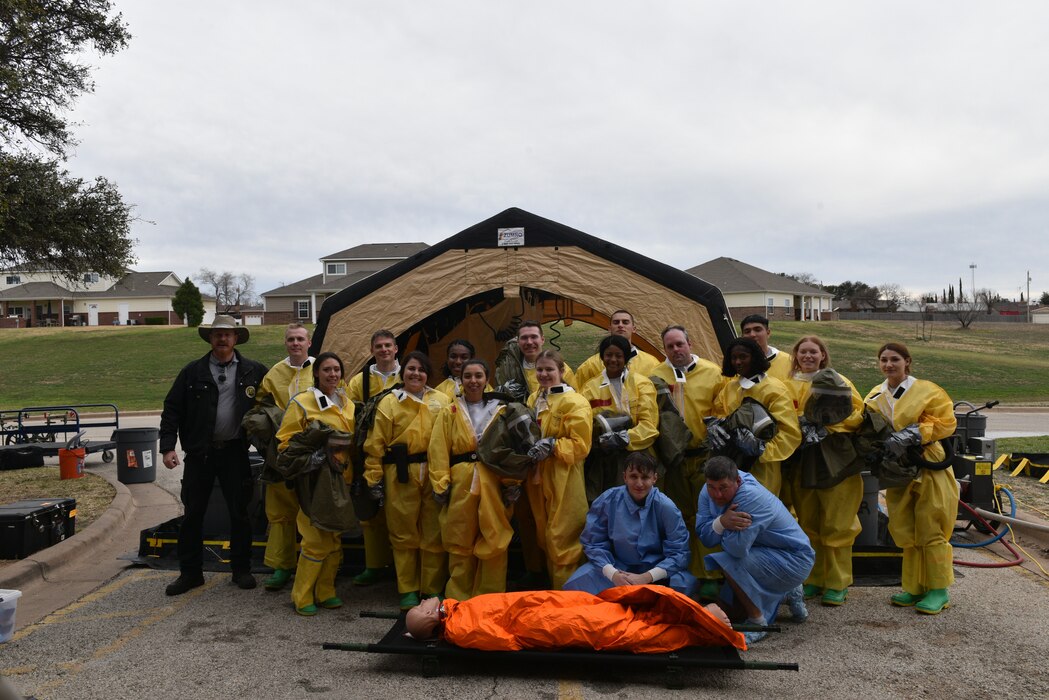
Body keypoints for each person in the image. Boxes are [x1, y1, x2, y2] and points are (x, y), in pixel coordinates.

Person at [159, 315, 267, 596]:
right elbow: (172, 409)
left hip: (235, 452)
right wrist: (168, 447)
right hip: (200, 454)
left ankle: (241, 570)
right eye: (217, 334)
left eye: (227, 334)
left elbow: (271, 406)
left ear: (235, 338)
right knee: (193, 514)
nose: (222, 338)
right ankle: (190, 573)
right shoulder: (192, 372)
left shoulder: (253, 371)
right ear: (210, 338)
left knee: (239, 514)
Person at [863, 342, 958, 615]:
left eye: (895, 359)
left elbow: (945, 421)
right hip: (897, 470)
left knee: (932, 524)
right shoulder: (874, 395)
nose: (889, 364)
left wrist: (911, 435)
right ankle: (914, 587)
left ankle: (938, 589)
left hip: (929, 463)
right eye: (884, 359)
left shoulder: (927, 391)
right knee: (905, 527)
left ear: (907, 362)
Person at [404, 585, 743, 653]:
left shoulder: (459, 611)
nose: (422, 600)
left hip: (543, 607)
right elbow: (506, 641)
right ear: (431, 619)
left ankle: (695, 616)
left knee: (614, 609)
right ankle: (701, 629)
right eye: (420, 608)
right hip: (541, 622)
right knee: (620, 630)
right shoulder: (460, 626)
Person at [363, 351, 452, 609]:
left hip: (433, 471)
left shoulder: (442, 400)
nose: (416, 374)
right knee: (403, 533)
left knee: (433, 532)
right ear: (403, 372)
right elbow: (375, 443)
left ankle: (431, 588)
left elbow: (449, 436)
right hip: (400, 474)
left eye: (421, 370)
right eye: (411, 369)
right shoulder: (389, 402)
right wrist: (373, 478)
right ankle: (408, 589)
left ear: (428, 374)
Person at [696, 456, 814, 644]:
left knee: (727, 561)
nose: (717, 495)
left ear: (738, 481)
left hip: (795, 559)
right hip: (761, 553)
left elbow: (736, 550)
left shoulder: (751, 496)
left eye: (723, 488)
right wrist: (722, 522)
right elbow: (704, 536)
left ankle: (758, 622)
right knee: (729, 611)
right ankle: (788, 593)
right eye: (712, 487)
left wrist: (717, 528)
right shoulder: (706, 490)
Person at [784, 336, 865, 607]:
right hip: (800, 460)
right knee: (808, 522)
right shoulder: (787, 384)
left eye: (813, 352)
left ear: (822, 355)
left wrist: (826, 424)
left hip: (833, 460)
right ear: (795, 356)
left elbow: (857, 414)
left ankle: (838, 583)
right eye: (802, 352)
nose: (807, 356)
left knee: (837, 523)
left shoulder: (838, 381)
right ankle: (814, 578)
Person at [274, 352, 354, 615]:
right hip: (314, 480)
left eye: (337, 370)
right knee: (314, 537)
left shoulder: (346, 403)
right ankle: (302, 595)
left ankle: (326, 591)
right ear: (316, 373)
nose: (332, 375)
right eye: (327, 370)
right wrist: (316, 457)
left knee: (333, 537)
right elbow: (285, 443)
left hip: (341, 480)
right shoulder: (303, 402)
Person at [649, 325, 725, 598]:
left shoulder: (712, 372)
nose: (676, 350)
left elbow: (722, 408)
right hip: (674, 459)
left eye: (680, 344)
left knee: (708, 515)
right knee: (679, 517)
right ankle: (683, 569)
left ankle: (710, 573)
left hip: (704, 455)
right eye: (670, 346)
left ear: (690, 343)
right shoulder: (656, 376)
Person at [429, 358, 515, 599]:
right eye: (468, 376)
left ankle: (490, 599)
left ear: (487, 379)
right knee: (459, 540)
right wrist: (440, 482)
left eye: (478, 376)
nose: (473, 381)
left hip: (493, 481)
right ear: (461, 380)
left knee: (495, 539)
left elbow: (511, 448)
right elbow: (438, 448)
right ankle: (458, 599)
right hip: (460, 482)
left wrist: (512, 484)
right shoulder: (450, 411)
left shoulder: (502, 409)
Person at [564, 452, 696, 596]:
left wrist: (646, 577)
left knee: (684, 585)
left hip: (656, 572)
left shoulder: (666, 507)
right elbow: (593, 542)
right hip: (618, 568)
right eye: (633, 476)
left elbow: (679, 553)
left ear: (654, 479)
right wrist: (613, 574)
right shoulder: (608, 500)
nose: (639, 483)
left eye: (645, 477)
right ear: (625, 477)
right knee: (577, 584)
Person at [524, 349, 592, 589]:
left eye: (549, 370)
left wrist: (553, 446)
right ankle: (554, 588)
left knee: (563, 535)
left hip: (564, 475)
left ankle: (569, 594)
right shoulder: (534, 399)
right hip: (537, 474)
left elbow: (581, 445)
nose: (543, 374)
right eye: (539, 369)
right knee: (544, 533)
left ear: (562, 372)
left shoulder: (574, 401)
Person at [254, 323, 315, 591]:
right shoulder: (274, 374)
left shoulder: (321, 367)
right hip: (280, 451)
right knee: (280, 512)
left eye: (300, 339)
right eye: (291, 339)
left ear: (309, 342)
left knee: (312, 510)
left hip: (312, 451)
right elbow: (260, 407)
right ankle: (282, 566)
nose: (295, 344)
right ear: (285, 343)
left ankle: (315, 565)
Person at [345, 329, 400, 587]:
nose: (384, 350)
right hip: (370, 452)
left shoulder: (409, 374)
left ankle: (403, 568)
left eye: (388, 345)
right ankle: (374, 565)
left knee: (401, 514)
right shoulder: (360, 381)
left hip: (402, 453)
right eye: (379, 346)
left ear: (396, 348)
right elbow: (349, 412)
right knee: (370, 514)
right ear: (372, 350)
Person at [713, 337, 801, 499]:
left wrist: (761, 449)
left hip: (762, 469)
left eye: (743, 357)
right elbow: (719, 414)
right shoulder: (730, 388)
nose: (738, 362)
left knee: (760, 515)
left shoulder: (774, 389)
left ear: (755, 357)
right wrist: (715, 427)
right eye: (734, 358)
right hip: (731, 466)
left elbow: (790, 433)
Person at [580, 334, 659, 500]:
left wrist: (625, 438)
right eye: (608, 355)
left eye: (619, 355)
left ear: (626, 357)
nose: (613, 360)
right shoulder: (589, 388)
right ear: (602, 357)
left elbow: (649, 425)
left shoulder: (642, 384)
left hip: (638, 459)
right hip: (603, 463)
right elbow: (584, 424)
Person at [574, 310, 661, 390]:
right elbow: (578, 395)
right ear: (609, 328)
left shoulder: (651, 363)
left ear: (634, 329)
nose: (620, 325)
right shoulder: (590, 365)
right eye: (616, 322)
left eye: (625, 322)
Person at [516, 321, 576, 393]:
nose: (529, 342)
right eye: (524, 338)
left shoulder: (561, 369)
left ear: (542, 340)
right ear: (518, 342)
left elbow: (574, 397)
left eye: (534, 337)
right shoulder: (510, 370)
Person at [740, 314, 791, 382]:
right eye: (747, 331)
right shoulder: (736, 363)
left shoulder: (788, 361)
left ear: (768, 333)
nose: (752, 334)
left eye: (757, 330)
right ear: (742, 336)